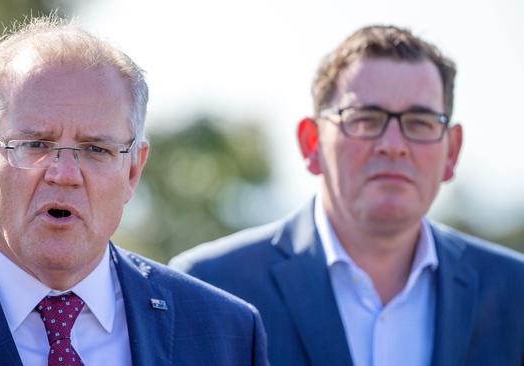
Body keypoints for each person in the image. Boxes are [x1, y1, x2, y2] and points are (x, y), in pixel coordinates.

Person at [0, 17, 267, 366]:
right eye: (36, 144)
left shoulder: (225, 334)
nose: (64, 174)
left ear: (132, 169)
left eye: (96, 149)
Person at [170, 25, 524, 366]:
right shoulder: (208, 286)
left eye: (420, 123)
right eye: (365, 120)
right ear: (312, 144)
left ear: (452, 151)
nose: (393, 146)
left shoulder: (515, 293)